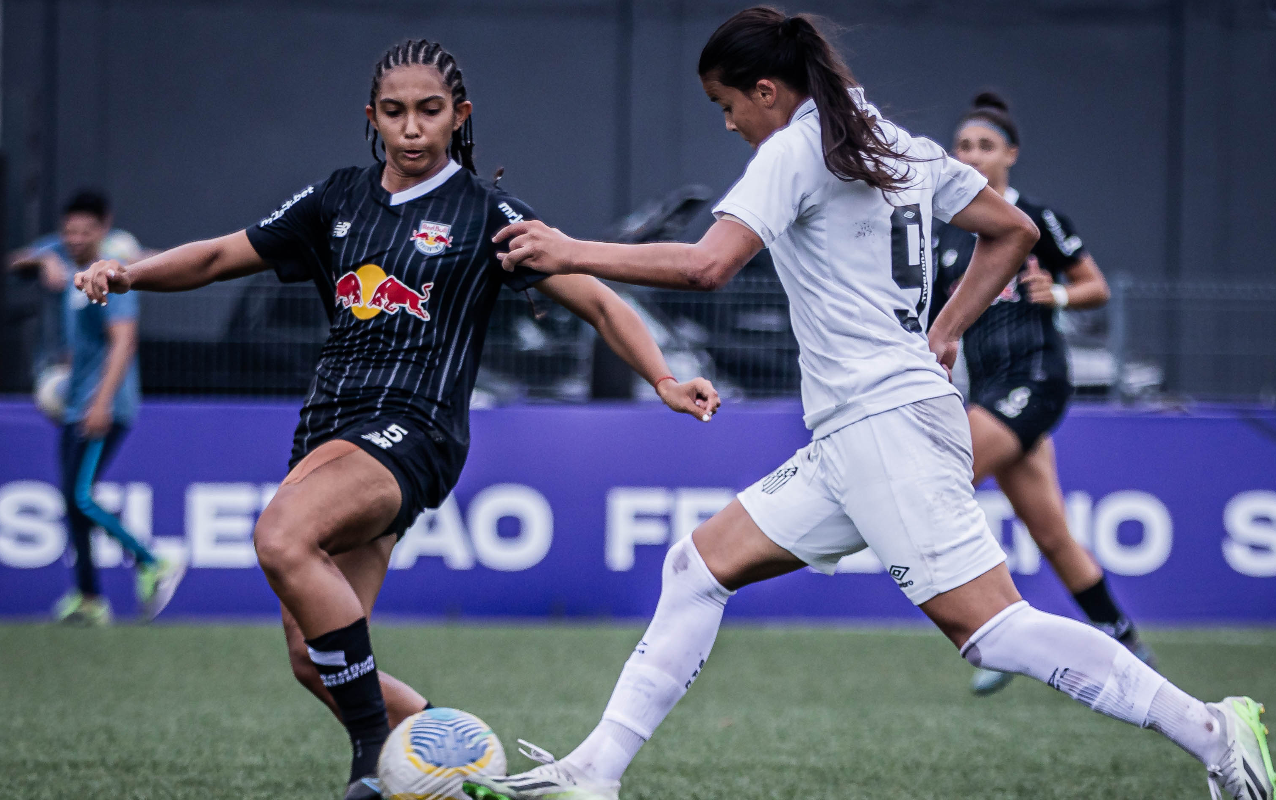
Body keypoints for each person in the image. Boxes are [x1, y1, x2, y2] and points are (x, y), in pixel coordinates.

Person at [459, 10, 1272, 800]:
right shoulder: (892, 142)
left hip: (885, 426)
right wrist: (946, 331)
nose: (730, 123)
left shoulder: (799, 148)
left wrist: (570, 249)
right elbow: (1013, 230)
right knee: (697, 566)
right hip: (864, 428)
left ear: (768, 89)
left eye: (727, 103)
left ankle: (1211, 728)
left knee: (991, 629)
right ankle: (594, 771)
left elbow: (709, 267)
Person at [75, 38, 721, 800]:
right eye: (395, 112)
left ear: (460, 116)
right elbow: (220, 257)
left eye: (429, 111)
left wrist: (665, 379)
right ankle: (471, 768)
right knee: (314, 660)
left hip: (415, 428)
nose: (412, 128)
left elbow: (598, 300)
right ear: (372, 118)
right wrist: (130, 273)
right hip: (330, 430)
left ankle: (370, 758)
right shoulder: (336, 200)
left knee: (281, 535)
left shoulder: (488, 213)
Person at [929, 92, 1156, 696]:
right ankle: (1124, 636)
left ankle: (1001, 629)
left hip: (1038, 379)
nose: (972, 156)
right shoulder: (949, 235)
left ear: (1011, 154)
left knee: (942, 484)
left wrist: (1054, 295)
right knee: (1051, 533)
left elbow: (1095, 287)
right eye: (963, 147)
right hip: (993, 387)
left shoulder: (1038, 220)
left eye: (985, 146)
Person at [11, 191, 185, 625]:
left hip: (102, 404)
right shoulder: (66, 261)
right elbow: (17, 260)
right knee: (71, 502)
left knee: (81, 496)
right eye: (68, 231)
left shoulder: (111, 273)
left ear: (103, 230)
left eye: (84, 232)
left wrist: (101, 402)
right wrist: (40, 262)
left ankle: (154, 561)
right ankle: (89, 598)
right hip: (76, 402)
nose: (73, 239)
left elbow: (124, 341)